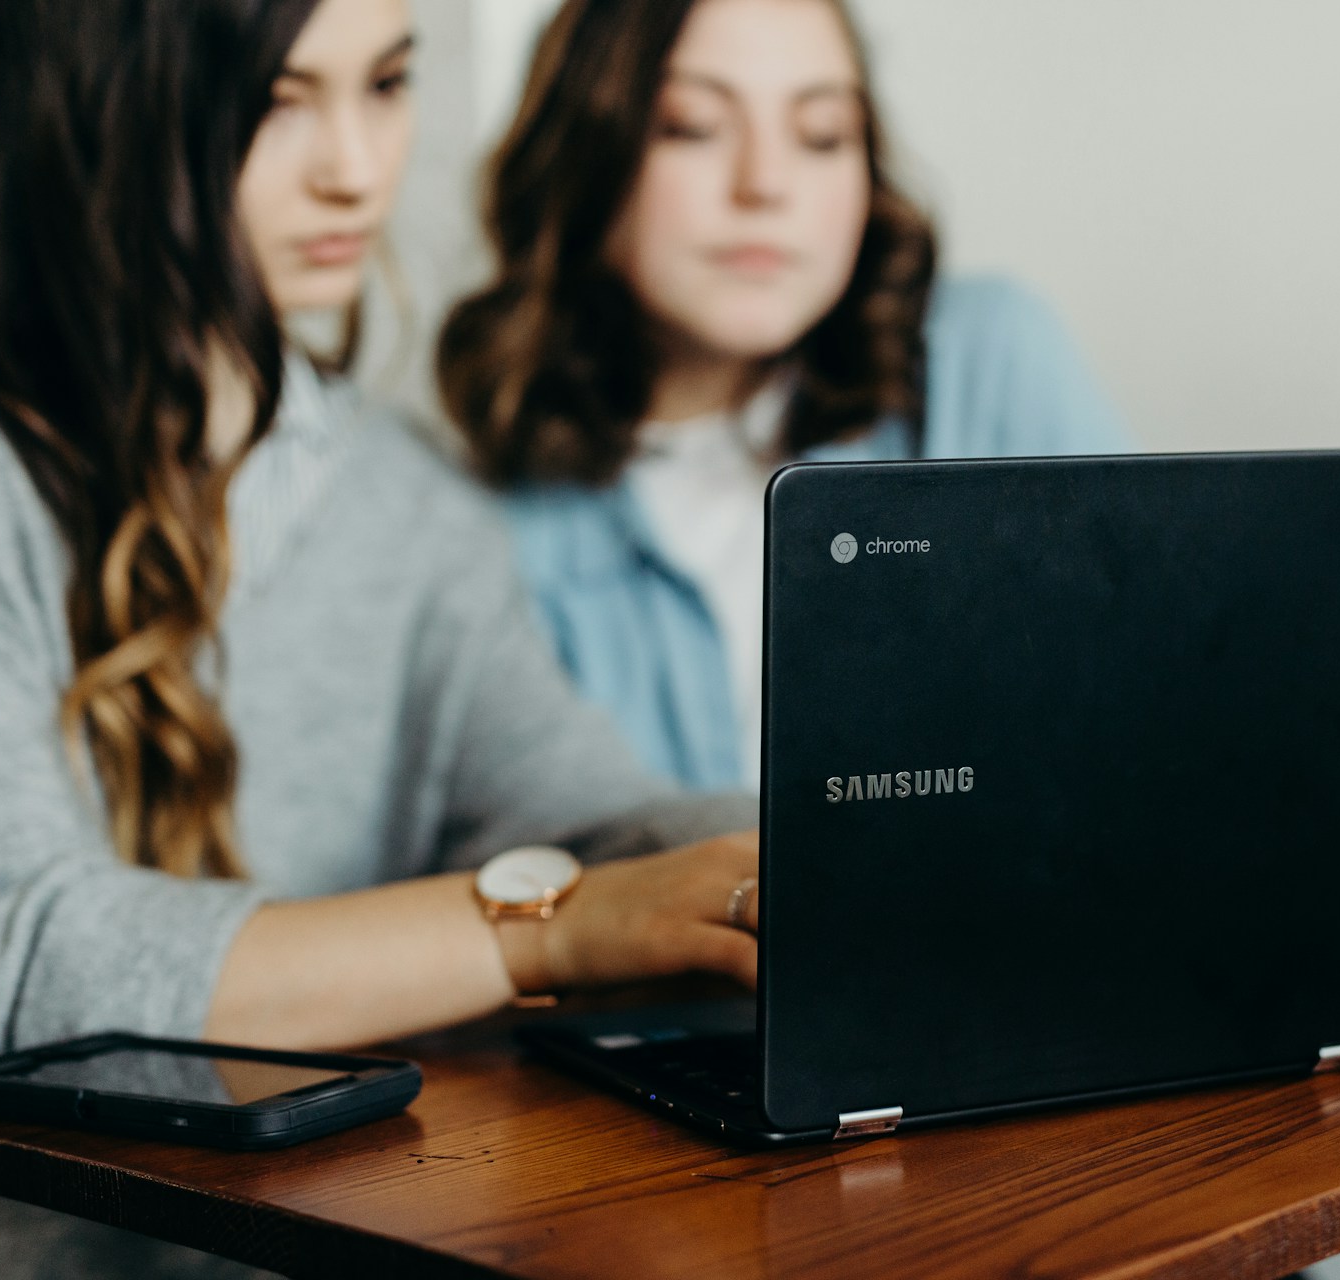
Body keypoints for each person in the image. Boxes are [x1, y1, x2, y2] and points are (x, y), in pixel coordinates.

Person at [0, 2, 762, 1276]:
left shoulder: (410, 501)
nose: (355, 164)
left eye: (388, 83)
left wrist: (797, 858)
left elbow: (590, 820)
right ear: (102, 107)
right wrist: (547, 929)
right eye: (282, 99)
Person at [438, 0, 1131, 793]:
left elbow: (1151, 720)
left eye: (822, 135)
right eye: (691, 126)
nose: (765, 185)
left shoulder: (988, 361)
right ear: (581, 152)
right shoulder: (476, 521)